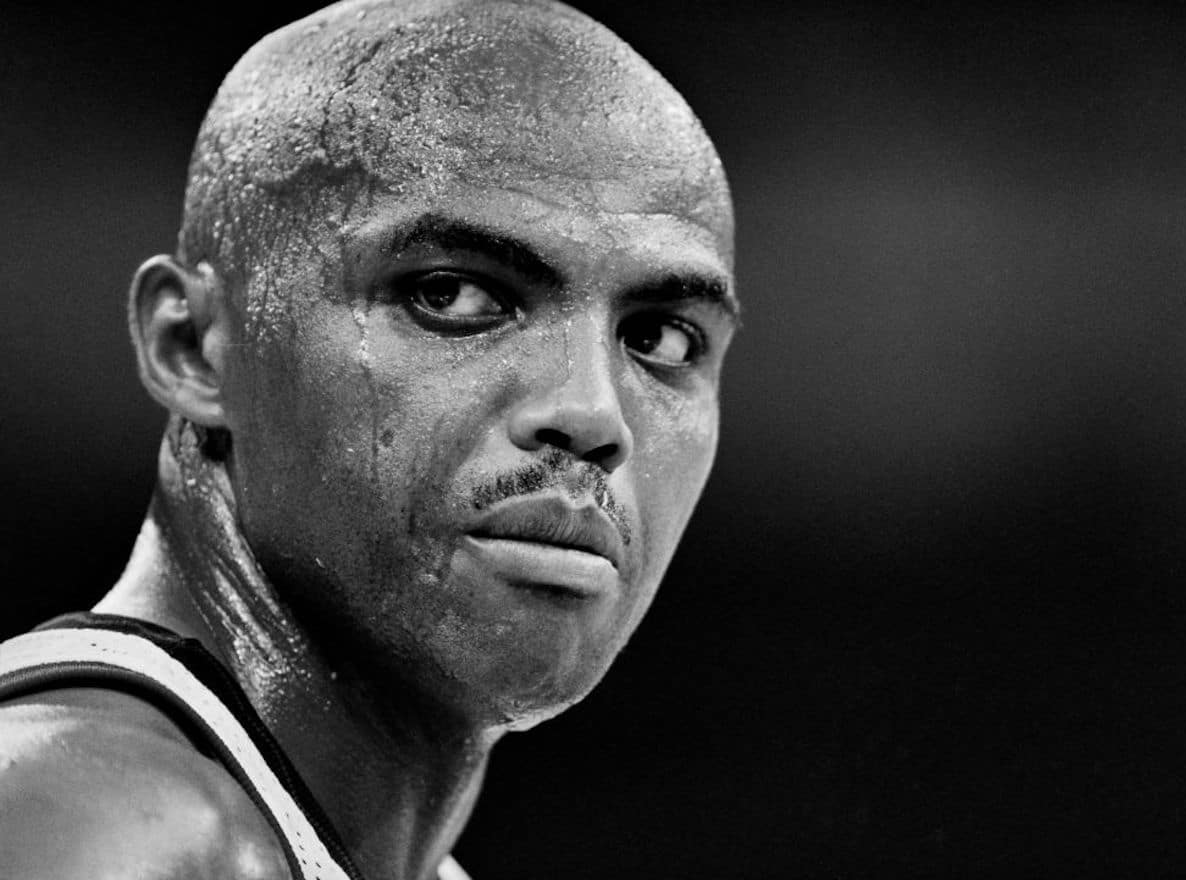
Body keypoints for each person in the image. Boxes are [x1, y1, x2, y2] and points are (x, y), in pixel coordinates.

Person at [0, 0, 737, 877]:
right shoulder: (98, 823)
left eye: (657, 338)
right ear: (194, 347)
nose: (592, 415)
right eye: (453, 295)